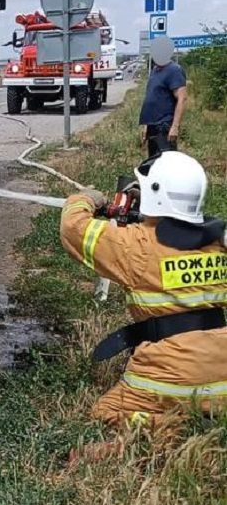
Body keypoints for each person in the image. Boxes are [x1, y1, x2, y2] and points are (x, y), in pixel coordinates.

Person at [60, 151, 227, 427]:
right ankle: (208, 415)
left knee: (106, 412)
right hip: (222, 377)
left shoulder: (134, 246)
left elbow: (73, 227)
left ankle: (172, 427)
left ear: (156, 193)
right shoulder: (217, 242)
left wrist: (85, 199)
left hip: (169, 378)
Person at [139, 36, 187, 157]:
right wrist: (146, 126)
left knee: (166, 163)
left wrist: (175, 127)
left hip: (164, 126)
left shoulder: (174, 70)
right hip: (153, 126)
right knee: (153, 163)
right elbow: (152, 98)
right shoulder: (155, 70)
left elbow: (182, 99)